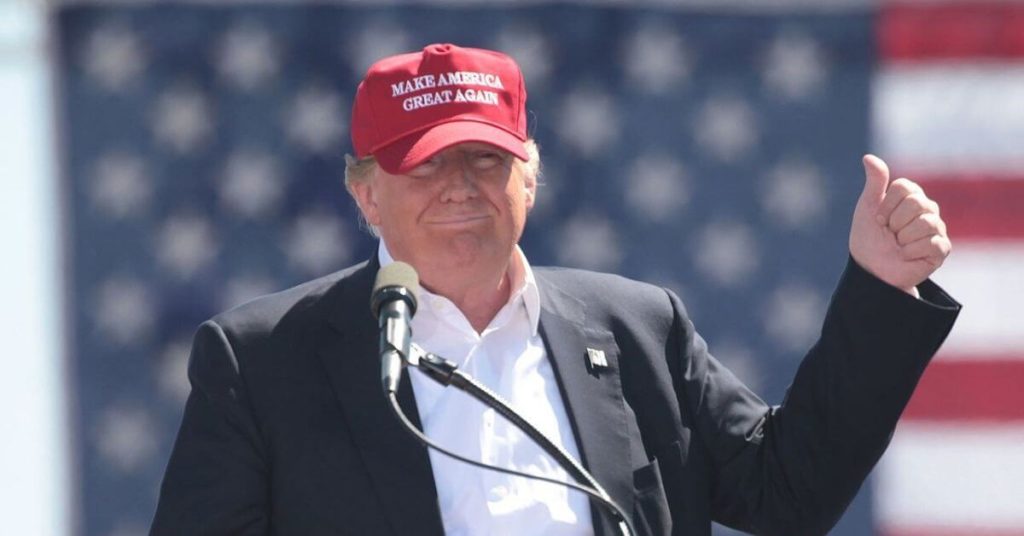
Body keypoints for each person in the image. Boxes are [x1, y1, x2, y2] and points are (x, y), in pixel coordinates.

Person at [151, 43, 960, 536]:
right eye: (425, 164)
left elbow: (791, 493)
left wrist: (881, 289)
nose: (460, 187)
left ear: (530, 180)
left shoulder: (638, 327)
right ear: (366, 194)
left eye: (486, 161)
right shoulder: (261, 362)